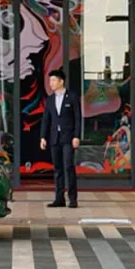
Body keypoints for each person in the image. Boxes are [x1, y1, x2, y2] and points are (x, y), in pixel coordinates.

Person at [39, 69, 82, 209]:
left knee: (68, 166)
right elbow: (46, 119)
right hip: (54, 138)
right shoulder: (50, 99)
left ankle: (73, 199)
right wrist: (43, 137)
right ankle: (59, 198)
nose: (51, 83)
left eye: (53, 80)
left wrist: (76, 136)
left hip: (68, 138)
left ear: (61, 81)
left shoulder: (72, 97)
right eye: (50, 80)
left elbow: (77, 118)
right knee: (57, 169)